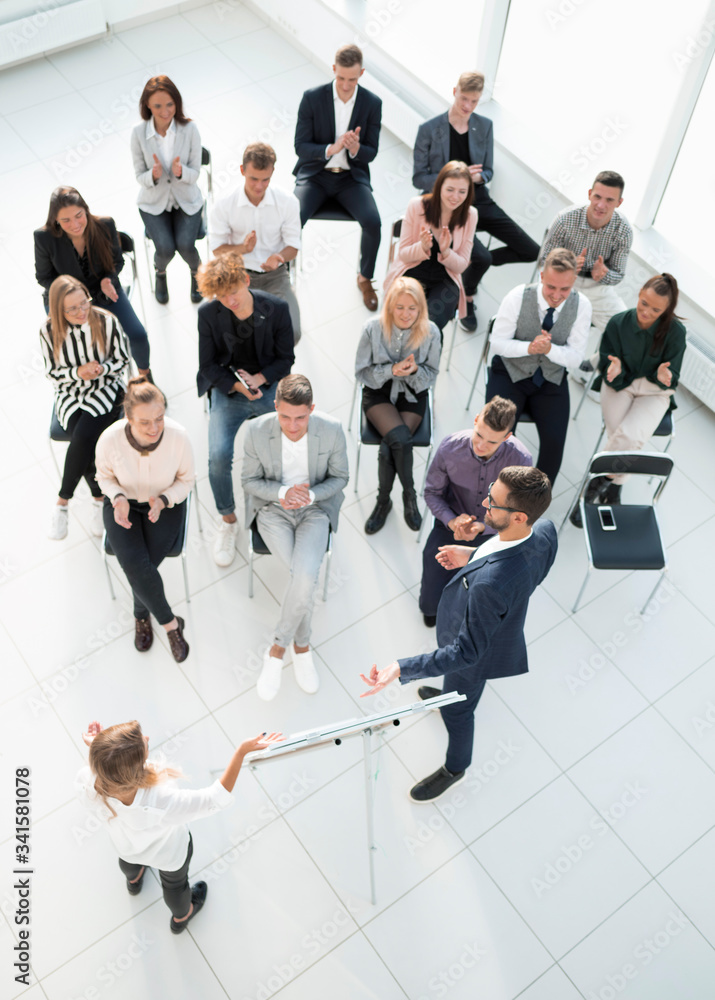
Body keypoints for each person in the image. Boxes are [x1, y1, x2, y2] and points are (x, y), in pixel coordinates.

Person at [360, 467, 557, 802]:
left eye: (493, 502)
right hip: (489, 626)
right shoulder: (545, 531)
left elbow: (466, 652)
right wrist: (474, 556)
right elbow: (522, 567)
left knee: (459, 710)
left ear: (519, 516)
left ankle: (456, 768)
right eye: (491, 489)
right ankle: (446, 694)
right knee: (456, 691)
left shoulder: (491, 586)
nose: (484, 502)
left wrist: (400, 667)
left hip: (475, 656)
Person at [77, 720, 282, 934]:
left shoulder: (87, 783)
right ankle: (181, 916)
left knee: (128, 862)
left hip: (126, 846)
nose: (147, 739)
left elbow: (97, 772)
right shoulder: (161, 800)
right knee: (174, 886)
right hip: (168, 855)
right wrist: (241, 752)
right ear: (136, 769)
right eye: (142, 744)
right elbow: (214, 799)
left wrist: (100, 750)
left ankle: (134, 881)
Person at [242, 375, 349, 700]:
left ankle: (278, 649)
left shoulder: (330, 429)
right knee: (304, 577)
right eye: (285, 416)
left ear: (312, 409)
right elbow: (249, 481)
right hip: (273, 509)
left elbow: (340, 478)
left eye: (300, 417)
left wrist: (311, 496)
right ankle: (301, 646)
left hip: (314, 510)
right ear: (275, 407)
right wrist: (283, 492)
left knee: (302, 576)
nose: (292, 425)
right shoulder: (257, 430)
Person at [413, 71, 540, 332]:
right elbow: (418, 178)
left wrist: (478, 177)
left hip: (478, 198)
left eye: (474, 101)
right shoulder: (429, 129)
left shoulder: (484, 126)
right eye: (463, 99)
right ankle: (467, 294)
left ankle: (465, 267)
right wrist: (454, 178)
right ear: (454, 91)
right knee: (480, 257)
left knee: (532, 251)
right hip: (446, 202)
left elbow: (489, 170)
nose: (467, 106)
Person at [196, 252, 295, 567]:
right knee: (218, 458)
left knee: (284, 446)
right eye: (221, 295)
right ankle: (228, 520)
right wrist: (238, 386)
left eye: (233, 291)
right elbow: (208, 365)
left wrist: (262, 379)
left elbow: (285, 359)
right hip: (230, 389)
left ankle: (276, 509)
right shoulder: (209, 314)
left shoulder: (276, 308)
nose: (229, 300)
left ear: (247, 281)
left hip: (265, 387)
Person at [570, 273, 686, 527]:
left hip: (654, 391)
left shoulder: (676, 332)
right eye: (644, 303)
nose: (646, 312)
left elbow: (672, 375)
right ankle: (614, 488)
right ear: (639, 293)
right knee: (625, 437)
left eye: (656, 309)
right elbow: (607, 357)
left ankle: (597, 483)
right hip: (620, 383)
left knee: (628, 436)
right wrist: (613, 367)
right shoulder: (618, 323)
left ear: (667, 309)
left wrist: (665, 376)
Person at [95, 377, 194, 662]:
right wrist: (117, 497)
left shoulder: (179, 437)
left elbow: (187, 480)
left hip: (164, 505)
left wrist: (164, 500)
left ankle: (141, 615)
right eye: (144, 423)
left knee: (139, 566)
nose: (154, 428)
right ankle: (171, 624)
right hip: (122, 505)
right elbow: (103, 477)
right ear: (128, 417)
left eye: (159, 419)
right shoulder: (110, 439)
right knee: (138, 566)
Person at [419, 397, 533, 627]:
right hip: (452, 518)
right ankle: (431, 609)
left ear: (507, 437)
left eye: (491, 442)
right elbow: (431, 492)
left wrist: (484, 526)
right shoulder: (450, 447)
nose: (480, 445)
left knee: (489, 581)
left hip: (496, 530)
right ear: (475, 420)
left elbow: (519, 511)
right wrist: (452, 522)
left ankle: (469, 615)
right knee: (434, 562)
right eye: (478, 434)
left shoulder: (521, 460)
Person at [485, 248, 592, 484]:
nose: (556, 295)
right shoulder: (517, 297)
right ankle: (493, 488)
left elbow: (575, 358)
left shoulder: (582, 306)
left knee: (554, 444)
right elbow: (498, 343)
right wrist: (529, 348)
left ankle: (534, 499)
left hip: (551, 378)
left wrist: (550, 351)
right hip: (510, 372)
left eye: (564, 289)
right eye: (551, 287)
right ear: (541, 276)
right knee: (496, 433)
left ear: (574, 281)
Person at [293, 43, 382, 311]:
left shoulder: (372, 103)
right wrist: (331, 149)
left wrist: (354, 148)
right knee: (291, 218)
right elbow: (300, 146)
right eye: (341, 78)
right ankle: (285, 273)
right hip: (316, 174)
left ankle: (365, 277)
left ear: (361, 73)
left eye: (352, 79)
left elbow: (372, 152)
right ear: (333, 70)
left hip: (350, 178)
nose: (345, 85)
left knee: (373, 222)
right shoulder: (312, 98)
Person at [41, 275, 129, 541]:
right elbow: (52, 373)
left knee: (82, 437)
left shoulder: (106, 321)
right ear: (59, 310)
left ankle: (63, 500)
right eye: (73, 308)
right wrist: (78, 372)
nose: (81, 312)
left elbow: (123, 360)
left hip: (107, 389)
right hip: (70, 393)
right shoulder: (48, 331)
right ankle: (98, 498)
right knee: (87, 442)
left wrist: (102, 368)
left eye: (84, 303)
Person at [355, 277, 441, 535]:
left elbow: (432, 375)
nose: (405, 314)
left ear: (420, 309)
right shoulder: (372, 328)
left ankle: (384, 501)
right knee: (400, 439)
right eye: (400, 307)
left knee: (389, 446)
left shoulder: (432, 331)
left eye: (412, 308)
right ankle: (410, 495)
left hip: (412, 394)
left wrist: (413, 371)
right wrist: (391, 370)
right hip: (378, 392)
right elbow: (361, 372)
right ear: (390, 306)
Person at [34, 186, 151, 375]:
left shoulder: (105, 225)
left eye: (79, 215)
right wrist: (68, 293)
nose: (75, 224)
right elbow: (44, 277)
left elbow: (117, 261)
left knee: (138, 335)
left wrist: (108, 279)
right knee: (73, 348)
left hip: (102, 291)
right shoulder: (44, 238)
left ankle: (145, 377)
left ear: (86, 209)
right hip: (66, 299)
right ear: (56, 219)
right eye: (66, 220)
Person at [210, 142, 302, 342]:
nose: (259, 186)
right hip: (238, 276)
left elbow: (293, 246)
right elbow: (217, 249)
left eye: (265, 180)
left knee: (292, 332)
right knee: (237, 336)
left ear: (272, 172)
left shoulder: (288, 202)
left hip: (275, 276)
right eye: (253, 179)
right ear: (242, 170)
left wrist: (279, 257)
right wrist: (242, 248)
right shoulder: (225, 203)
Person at [131, 75, 205, 305]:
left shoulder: (190, 129)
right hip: (154, 202)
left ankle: (198, 274)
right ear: (147, 106)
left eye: (170, 104)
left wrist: (180, 170)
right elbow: (139, 176)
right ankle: (160, 273)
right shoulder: (138, 133)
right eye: (158, 106)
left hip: (187, 199)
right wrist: (152, 175)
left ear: (177, 103)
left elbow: (196, 173)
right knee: (165, 249)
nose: (165, 111)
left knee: (185, 245)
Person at [384, 161, 477, 334]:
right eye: (450, 190)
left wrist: (446, 251)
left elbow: (462, 265)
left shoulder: (471, 215)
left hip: (445, 277)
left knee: (430, 329)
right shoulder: (417, 205)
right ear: (439, 186)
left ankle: (423, 360)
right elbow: (403, 254)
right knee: (402, 322)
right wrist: (422, 246)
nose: (455, 197)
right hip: (412, 269)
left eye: (462, 192)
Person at [539, 171, 632, 341]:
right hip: (561, 281)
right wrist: (566, 264)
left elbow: (618, 274)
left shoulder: (623, 230)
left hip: (597, 287)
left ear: (619, 202)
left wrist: (604, 274)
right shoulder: (565, 219)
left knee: (626, 332)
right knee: (541, 325)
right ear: (590, 194)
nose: (601, 205)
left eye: (609, 200)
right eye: (597, 197)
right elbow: (544, 261)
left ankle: (596, 363)